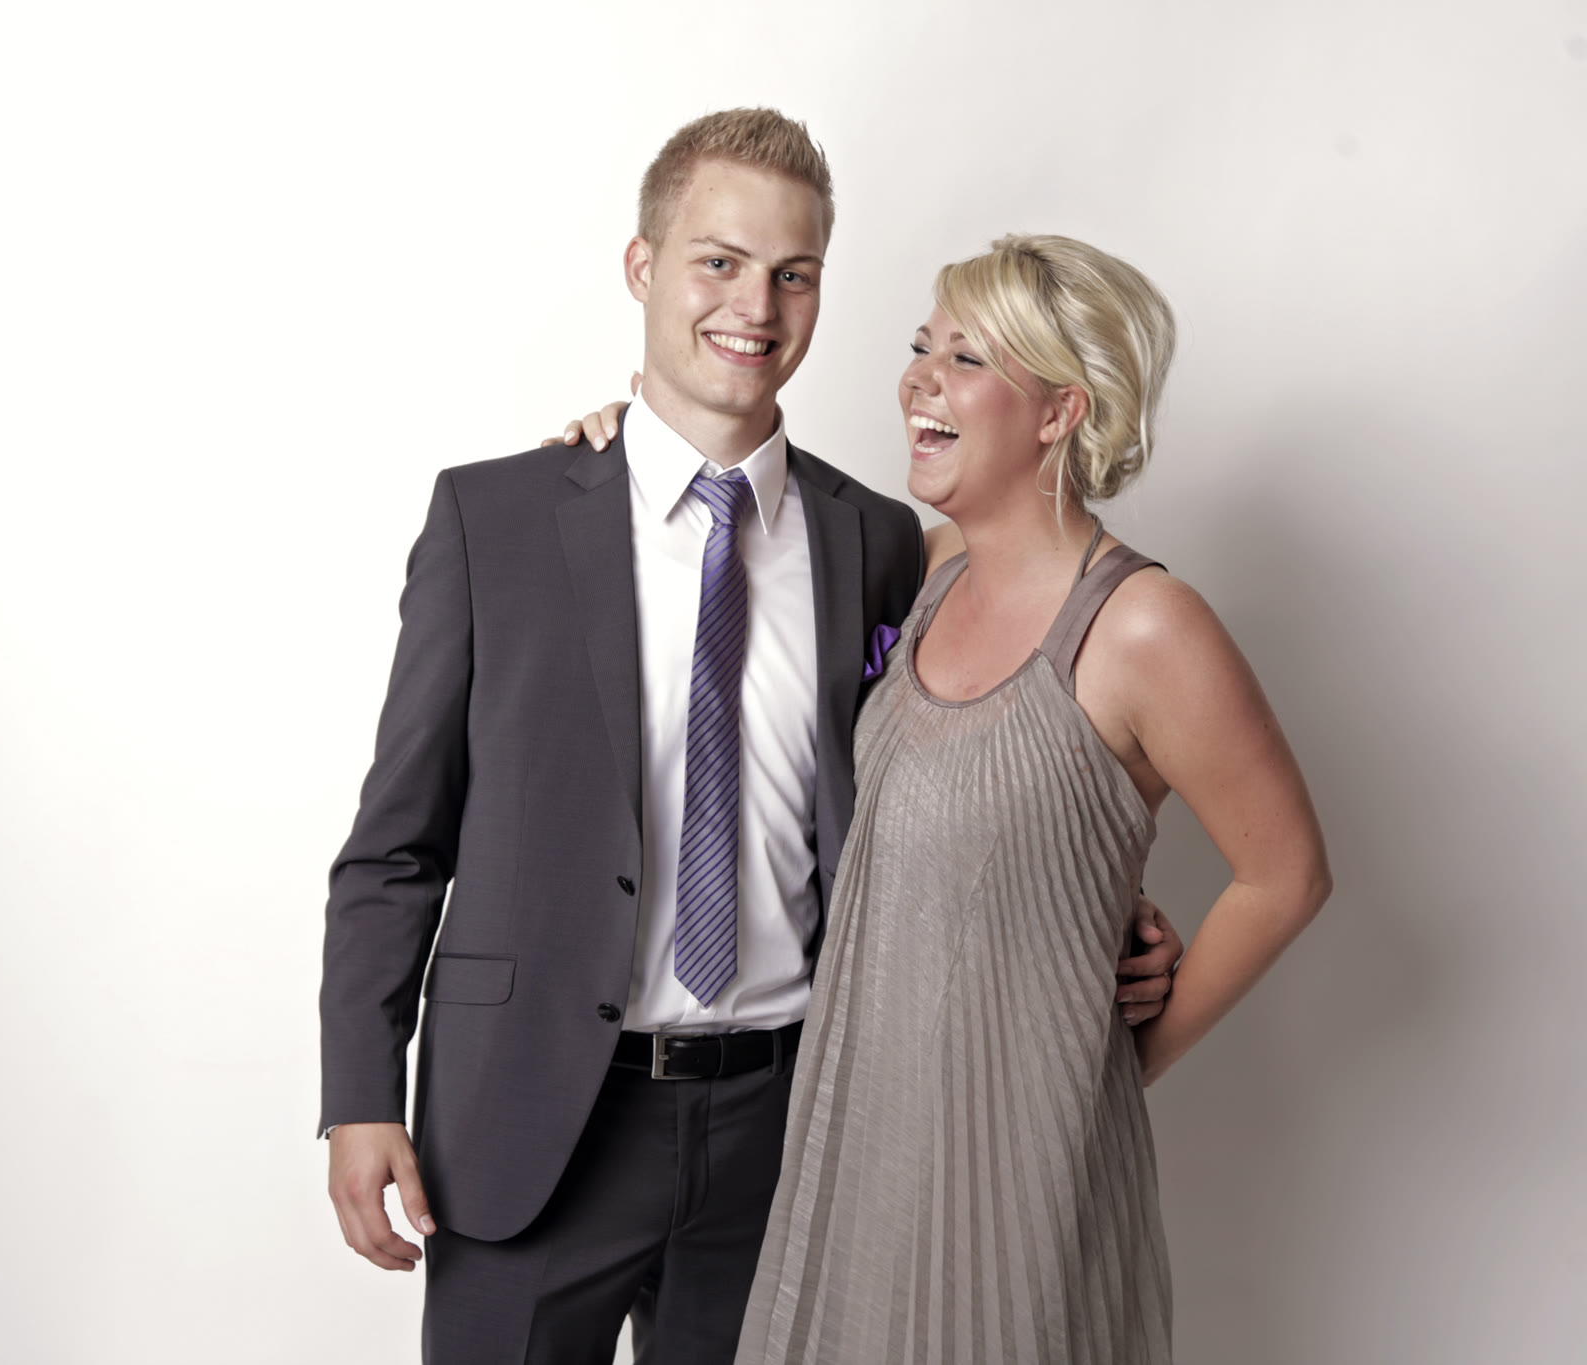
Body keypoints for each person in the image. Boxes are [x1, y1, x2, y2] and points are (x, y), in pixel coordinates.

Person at [320, 112, 1183, 1365]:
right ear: (642, 267)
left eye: (793, 273)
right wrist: (359, 1094)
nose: (754, 306)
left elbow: (968, 751)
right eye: (716, 262)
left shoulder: (877, 542)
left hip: (795, 1124)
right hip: (530, 1116)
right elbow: (396, 844)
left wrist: (1100, 901)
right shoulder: (493, 521)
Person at [722, 236, 1332, 1364]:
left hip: (1023, 1172)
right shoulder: (924, 569)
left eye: (965, 358)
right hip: (856, 1149)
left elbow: (1284, 875)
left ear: (1060, 412)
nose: (918, 380)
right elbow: (718, 544)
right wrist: (611, 441)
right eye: (920, 348)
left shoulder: (1144, 626)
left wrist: (1111, 1063)